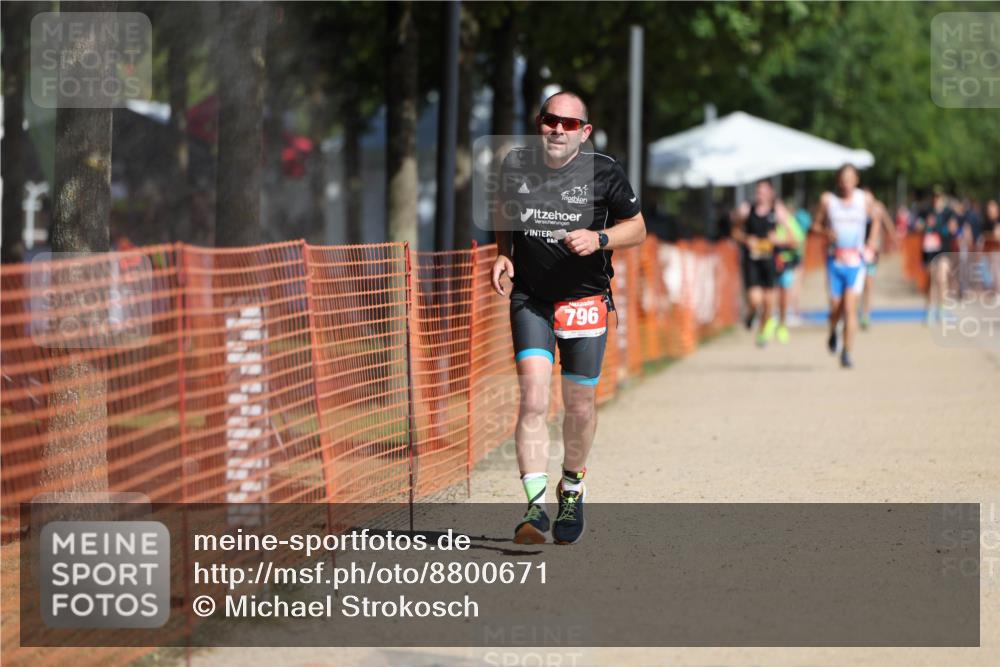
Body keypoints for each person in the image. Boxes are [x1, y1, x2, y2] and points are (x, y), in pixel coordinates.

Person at [490, 91, 646, 545]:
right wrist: (504, 253)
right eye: (549, 120)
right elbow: (504, 209)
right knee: (534, 401)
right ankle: (536, 508)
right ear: (539, 123)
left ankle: (572, 488)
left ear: (584, 132)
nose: (557, 129)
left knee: (577, 406)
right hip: (532, 299)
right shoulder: (516, 165)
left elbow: (636, 229)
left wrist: (599, 238)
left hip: (584, 302)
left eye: (567, 123)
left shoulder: (605, 172)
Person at [811, 164, 879, 368]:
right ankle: (833, 331)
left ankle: (847, 352)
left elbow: (876, 218)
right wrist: (825, 232)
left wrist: (872, 242)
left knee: (850, 308)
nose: (846, 182)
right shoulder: (828, 200)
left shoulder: (863, 199)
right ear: (838, 180)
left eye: (850, 178)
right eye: (842, 178)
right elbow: (815, 225)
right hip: (835, 262)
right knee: (835, 308)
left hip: (856, 262)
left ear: (856, 180)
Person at [732, 180, 792, 346]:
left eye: (764, 191)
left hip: (770, 261)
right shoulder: (746, 210)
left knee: (768, 303)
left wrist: (777, 240)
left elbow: (793, 238)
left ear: (771, 193)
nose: (761, 195)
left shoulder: (778, 211)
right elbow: (735, 231)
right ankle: (751, 314)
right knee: (754, 299)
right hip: (752, 261)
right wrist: (746, 239)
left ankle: (762, 332)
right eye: (758, 191)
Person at [772, 198, 807, 342]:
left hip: (789, 263)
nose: (777, 214)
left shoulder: (791, 223)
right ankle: (770, 318)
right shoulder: (771, 223)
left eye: (779, 210)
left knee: (786, 291)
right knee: (772, 292)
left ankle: (783, 321)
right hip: (772, 262)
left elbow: (797, 242)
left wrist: (780, 239)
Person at [859, 188, 893, 330]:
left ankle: (866, 314)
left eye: (869, 199)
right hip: (856, 251)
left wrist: (892, 237)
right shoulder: (855, 211)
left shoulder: (878, 210)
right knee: (855, 285)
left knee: (868, 284)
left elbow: (887, 223)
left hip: (871, 253)